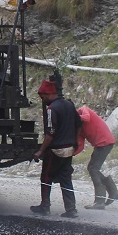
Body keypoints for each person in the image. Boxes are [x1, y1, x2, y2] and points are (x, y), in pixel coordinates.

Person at [30, 79, 79, 218]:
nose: (42, 99)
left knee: (46, 176)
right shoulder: (70, 105)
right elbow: (79, 123)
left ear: (48, 93)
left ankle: (45, 206)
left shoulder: (51, 109)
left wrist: (40, 151)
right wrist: (75, 141)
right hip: (69, 148)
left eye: (42, 96)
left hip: (55, 150)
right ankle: (71, 209)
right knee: (65, 178)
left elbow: (50, 133)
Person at [75, 104, 118, 209]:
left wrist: (73, 117)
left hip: (105, 142)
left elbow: (86, 118)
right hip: (101, 144)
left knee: (93, 169)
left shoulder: (83, 110)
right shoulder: (78, 125)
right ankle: (114, 192)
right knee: (92, 168)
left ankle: (100, 201)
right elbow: (79, 144)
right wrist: (69, 154)